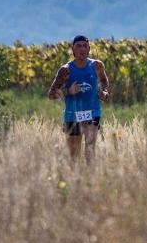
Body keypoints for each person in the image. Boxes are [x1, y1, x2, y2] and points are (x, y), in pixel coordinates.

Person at [47, 35, 111, 163]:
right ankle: (76, 181)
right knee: (74, 157)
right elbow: (51, 94)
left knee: (90, 151)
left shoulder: (97, 66)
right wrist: (68, 91)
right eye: (78, 46)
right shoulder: (66, 70)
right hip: (72, 115)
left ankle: (91, 181)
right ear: (73, 50)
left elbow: (104, 81)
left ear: (89, 49)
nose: (82, 49)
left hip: (92, 113)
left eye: (85, 46)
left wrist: (104, 92)